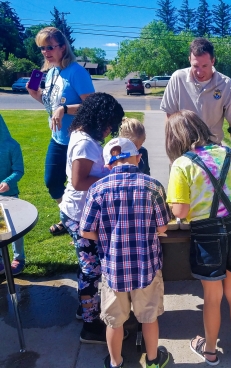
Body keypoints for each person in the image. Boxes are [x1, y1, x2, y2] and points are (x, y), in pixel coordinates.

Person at [165, 110, 231, 366]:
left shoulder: (182, 164)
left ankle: (211, 351)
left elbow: (180, 211)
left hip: (207, 233)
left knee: (212, 298)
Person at [80, 137, 170, 368]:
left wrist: (111, 238)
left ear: (109, 165)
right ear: (138, 158)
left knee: (114, 321)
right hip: (146, 267)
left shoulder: (97, 189)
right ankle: (153, 360)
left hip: (113, 269)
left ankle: (115, 362)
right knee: (149, 318)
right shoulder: (153, 186)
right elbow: (162, 228)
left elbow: (86, 231)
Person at [59, 92, 125, 343]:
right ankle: (90, 325)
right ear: (98, 118)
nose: (110, 130)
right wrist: (111, 179)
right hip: (80, 215)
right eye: (109, 124)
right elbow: (78, 181)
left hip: (78, 212)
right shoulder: (85, 143)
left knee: (86, 266)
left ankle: (84, 306)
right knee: (91, 270)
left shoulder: (81, 135)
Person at [26, 26, 95, 236]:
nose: (46, 52)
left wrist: (63, 109)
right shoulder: (52, 72)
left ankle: (84, 219)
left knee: (78, 184)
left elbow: (92, 106)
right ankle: (69, 218)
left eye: (50, 47)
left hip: (77, 140)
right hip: (58, 139)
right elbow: (50, 103)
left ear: (63, 47)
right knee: (52, 181)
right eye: (42, 48)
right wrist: (35, 94)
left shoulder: (77, 72)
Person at [160, 38, 231, 155]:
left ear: (213, 61)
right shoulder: (178, 78)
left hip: (212, 151)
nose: (199, 72)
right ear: (189, 60)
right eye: (195, 66)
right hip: (183, 150)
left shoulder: (225, 84)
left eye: (205, 66)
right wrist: (172, 154)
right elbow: (169, 118)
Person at [0, 115, 25, 275]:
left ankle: (19, 258)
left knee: (14, 229)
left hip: (10, 195)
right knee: (1, 229)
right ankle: (1, 259)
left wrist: (8, 182)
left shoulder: (12, 146)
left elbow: (18, 170)